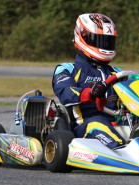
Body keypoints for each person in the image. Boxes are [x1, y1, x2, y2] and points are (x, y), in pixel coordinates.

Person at [52, 13, 125, 149]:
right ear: (83, 37)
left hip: (118, 123)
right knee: (98, 123)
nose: (105, 46)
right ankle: (122, 151)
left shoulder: (117, 72)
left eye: (108, 41)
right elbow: (66, 93)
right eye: (100, 40)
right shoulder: (67, 69)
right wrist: (90, 93)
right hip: (84, 126)